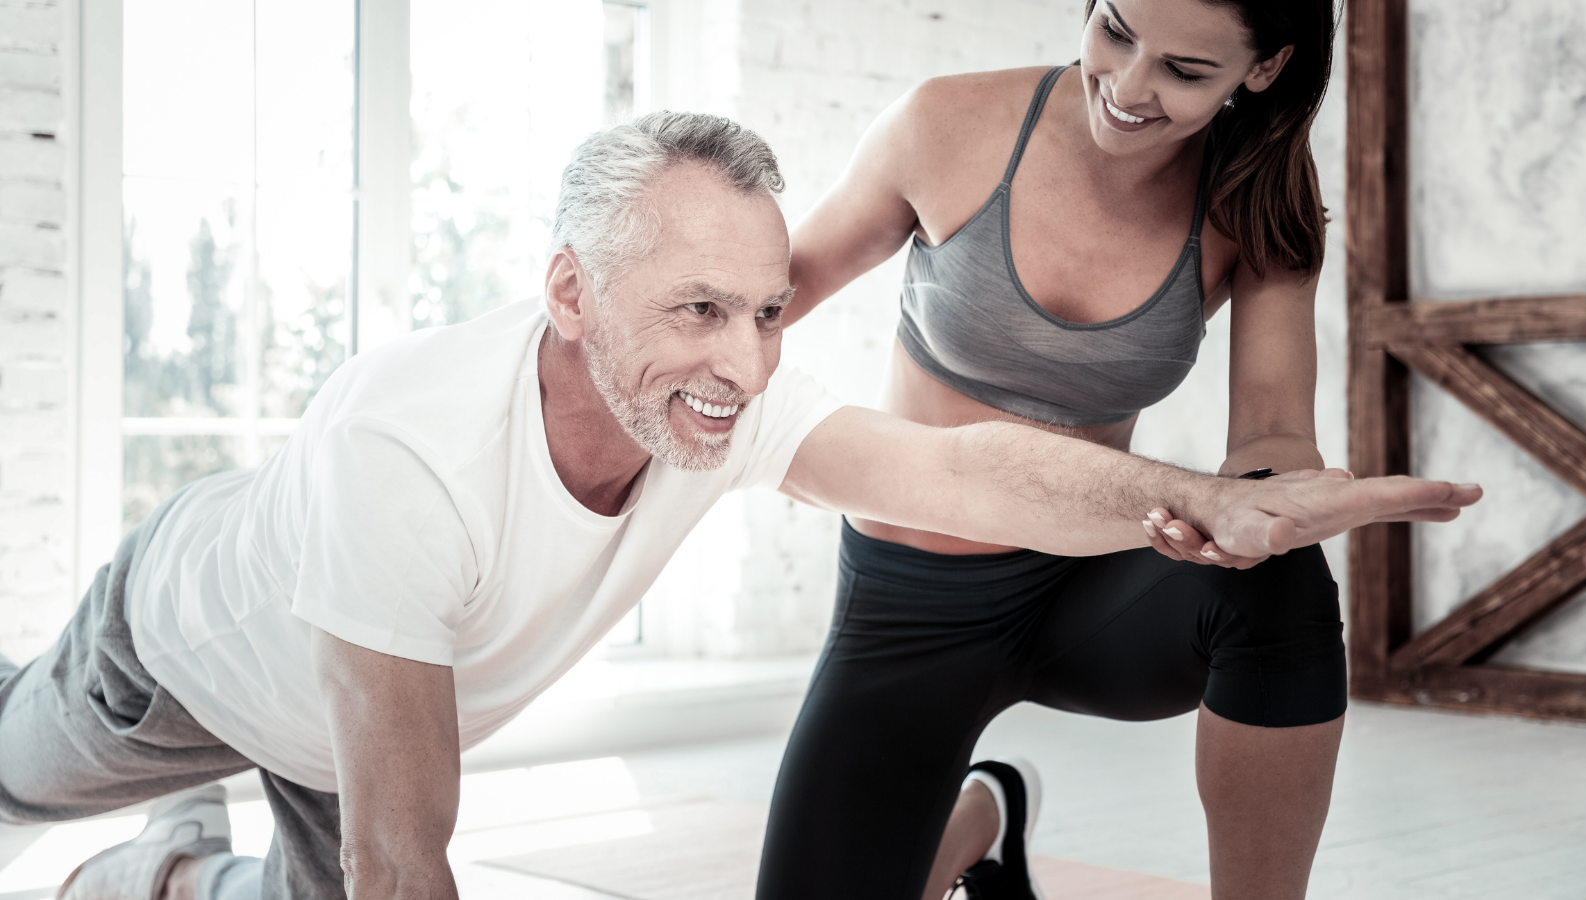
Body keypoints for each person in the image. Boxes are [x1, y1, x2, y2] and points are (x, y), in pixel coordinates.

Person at [0, 111, 1471, 900]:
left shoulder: (724, 397)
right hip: (177, 660)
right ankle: (140, 815)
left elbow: (962, 467)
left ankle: (165, 870)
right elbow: (408, 862)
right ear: (568, 292)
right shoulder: (408, 454)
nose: (745, 362)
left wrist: (1200, 499)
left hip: (354, 706)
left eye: (767, 310)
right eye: (698, 307)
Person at [757, 0, 1362, 898]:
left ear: (1265, 68)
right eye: (1115, 30)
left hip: (1094, 588)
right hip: (908, 601)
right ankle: (979, 818)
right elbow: (771, 300)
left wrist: (1270, 504)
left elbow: (1272, 431)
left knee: (1279, 578)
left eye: (1185, 72)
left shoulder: (1252, 188)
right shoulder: (946, 125)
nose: (1126, 86)